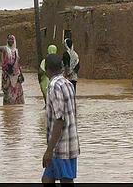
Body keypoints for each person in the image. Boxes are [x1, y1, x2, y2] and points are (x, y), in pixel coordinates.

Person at [42, 54, 80, 184]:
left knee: (66, 181)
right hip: (70, 142)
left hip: (60, 147)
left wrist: (49, 150)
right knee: (47, 179)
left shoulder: (53, 86)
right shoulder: (68, 83)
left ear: (46, 69)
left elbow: (60, 119)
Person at [0, 34, 25, 105]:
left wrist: (21, 74)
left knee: (18, 93)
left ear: (14, 40)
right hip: (7, 75)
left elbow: (18, 64)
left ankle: (16, 110)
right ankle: (8, 110)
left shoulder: (16, 51)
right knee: (8, 93)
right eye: (9, 39)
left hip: (16, 75)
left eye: (12, 39)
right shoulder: (5, 49)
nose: (11, 40)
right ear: (7, 40)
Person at [38, 44, 58, 109]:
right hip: (57, 81)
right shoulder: (58, 60)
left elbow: (41, 71)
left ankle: (47, 106)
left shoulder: (45, 60)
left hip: (45, 81)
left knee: (47, 97)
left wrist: (39, 79)